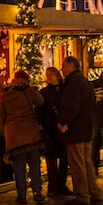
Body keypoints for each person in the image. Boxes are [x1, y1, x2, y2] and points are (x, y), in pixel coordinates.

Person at [57, 56, 103, 205]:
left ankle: (82, 195)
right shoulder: (85, 82)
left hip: (76, 130)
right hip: (86, 128)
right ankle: (94, 192)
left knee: (77, 164)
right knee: (86, 162)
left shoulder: (73, 84)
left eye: (63, 66)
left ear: (71, 66)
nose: (62, 69)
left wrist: (63, 121)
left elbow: (72, 107)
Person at [0, 70, 47, 204]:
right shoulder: (28, 90)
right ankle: (36, 192)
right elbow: (41, 101)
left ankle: (21, 195)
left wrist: (7, 127)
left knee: (18, 166)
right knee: (34, 163)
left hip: (14, 134)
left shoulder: (5, 93)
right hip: (31, 132)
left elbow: (1, 115)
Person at [39, 66, 71, 197]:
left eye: (51, 75)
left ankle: (61, 185)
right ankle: (52, 186)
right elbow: (40, 111)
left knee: (64, 158)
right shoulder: (44, 92)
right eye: (47, 75)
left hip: (63, 129)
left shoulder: (65, 90)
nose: (49, 77)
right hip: (50, 130)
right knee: (51, 159)